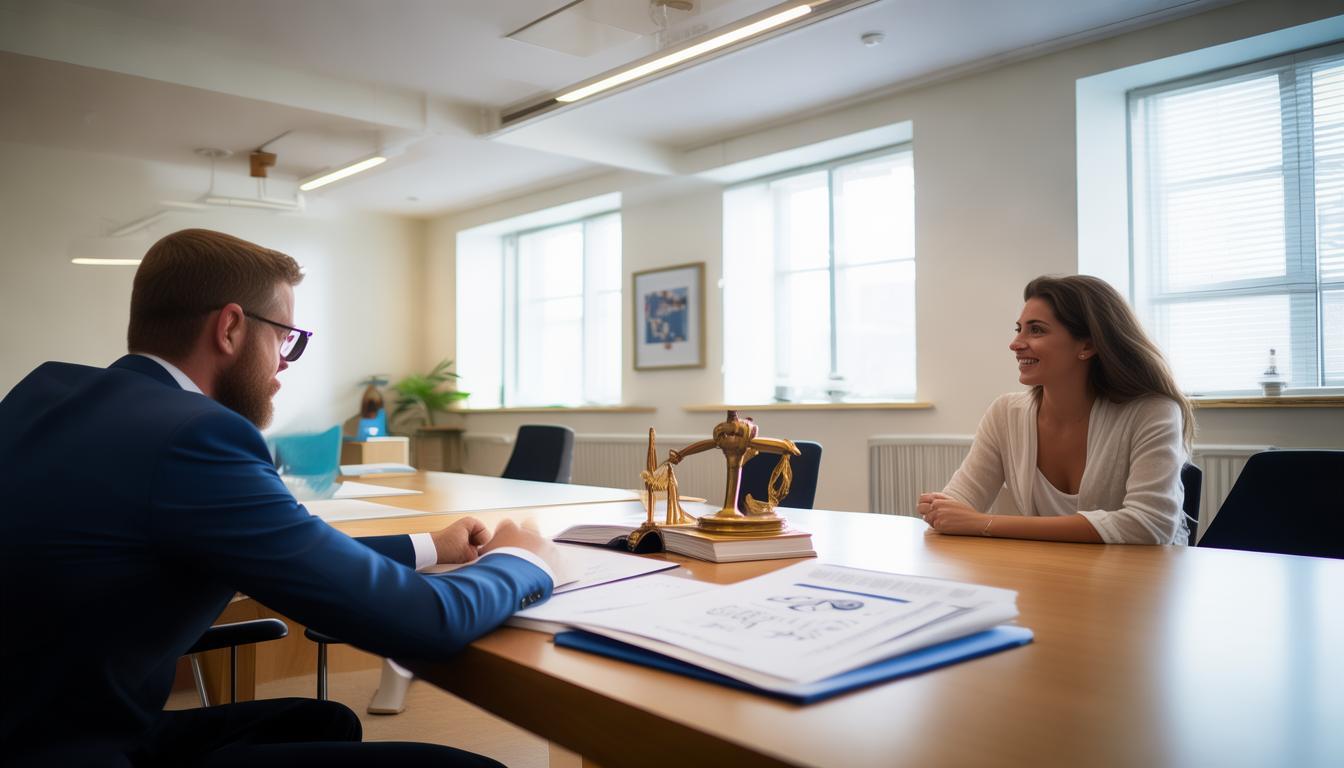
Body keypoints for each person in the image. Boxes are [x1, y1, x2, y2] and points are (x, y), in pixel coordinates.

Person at [0, 229, 564, 766]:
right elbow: (424, 624)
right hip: (76, 749)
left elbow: (262, 552)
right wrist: (521, 559)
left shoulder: (47, 395)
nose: (283, 364)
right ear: (230, 329)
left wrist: (430, 545)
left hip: (38, 718)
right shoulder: (193, 435)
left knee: (324, 723)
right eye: (285, 338)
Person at [918, 275, 1193, 545]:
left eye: (1036, 330)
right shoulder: (1005, 413)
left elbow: (1148, 525)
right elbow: (958, 504)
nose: (1015, 344)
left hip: (1138, 580)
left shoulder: (1153, 411)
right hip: (1048, 574)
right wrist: (940, 510)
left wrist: (985, 523)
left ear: (1087, 345)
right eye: (1019, 329)